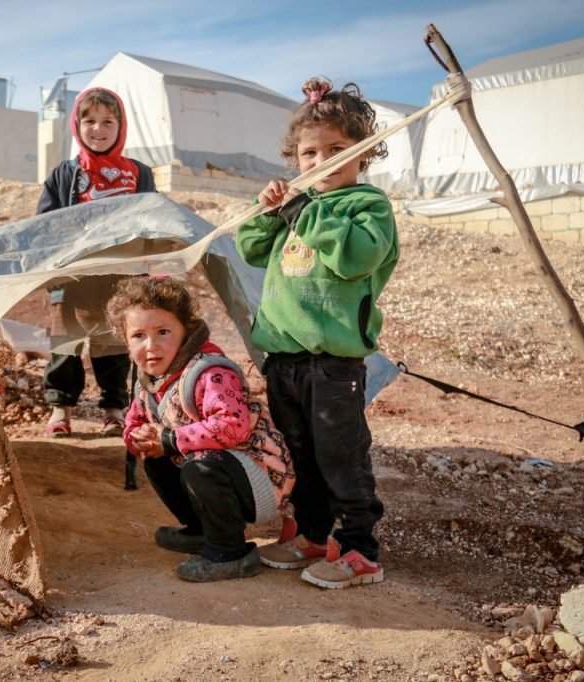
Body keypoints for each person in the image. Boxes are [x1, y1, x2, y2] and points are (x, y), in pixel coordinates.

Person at [235, 77, 398, 589]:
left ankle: (359, 550)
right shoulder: (295, 205)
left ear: (363, 153)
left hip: (332, 364)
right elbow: (250, 248)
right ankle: (311, 535)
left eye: (336, 149)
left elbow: (354, 258)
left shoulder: (367, 207)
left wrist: (303, 211)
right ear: (295, 158)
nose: (321, 160)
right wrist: (268, 210)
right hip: (284, 360)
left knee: (340, 456)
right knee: (299, 454)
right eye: (309, 153)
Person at [107, 275, 295, 582]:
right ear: (125, 341)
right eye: (138, 335)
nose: (151, 346)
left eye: (163, 332)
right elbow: (135, 421)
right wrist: (138, 438)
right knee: (156, 458)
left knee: (200, 466)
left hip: (260, 479)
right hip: (221, 468)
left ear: (186, 330)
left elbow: (232, 426)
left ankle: (231, 552)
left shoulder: (208, 372)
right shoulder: (149, 381)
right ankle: (202, 531)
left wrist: (170, 439)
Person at [36, 87, 156, 438]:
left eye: (108, 121)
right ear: (76, 126)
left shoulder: (139, 173)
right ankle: (60, 408)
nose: (98, 129)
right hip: (71, 277)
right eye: (89, 121)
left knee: (114, 344)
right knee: (65, 343)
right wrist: (52, 270)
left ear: (121, 126)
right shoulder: (64, 174)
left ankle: (114, 409)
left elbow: (152, 221)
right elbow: (44, 225)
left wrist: (144, 272)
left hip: (120, 277)